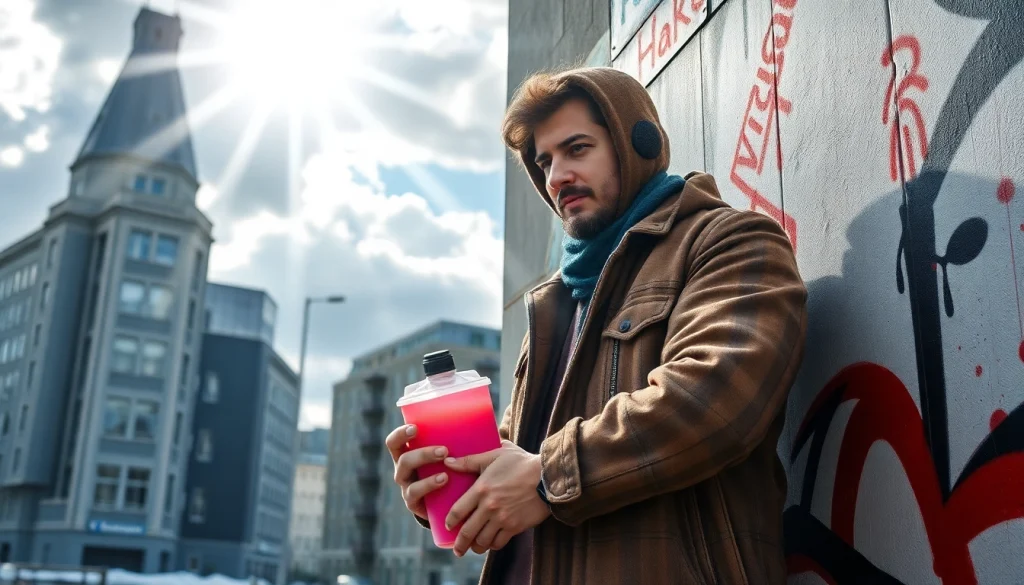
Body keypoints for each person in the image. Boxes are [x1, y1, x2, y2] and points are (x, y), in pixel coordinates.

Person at [385, 66, 807, 584]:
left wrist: (546, 478)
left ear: (639, 145)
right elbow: (513, 462)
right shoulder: (558, 304)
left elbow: (712, 397)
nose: (556, 175)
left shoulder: (727, 241)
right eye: (545, 161)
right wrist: (448, 486)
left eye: (577, 149)